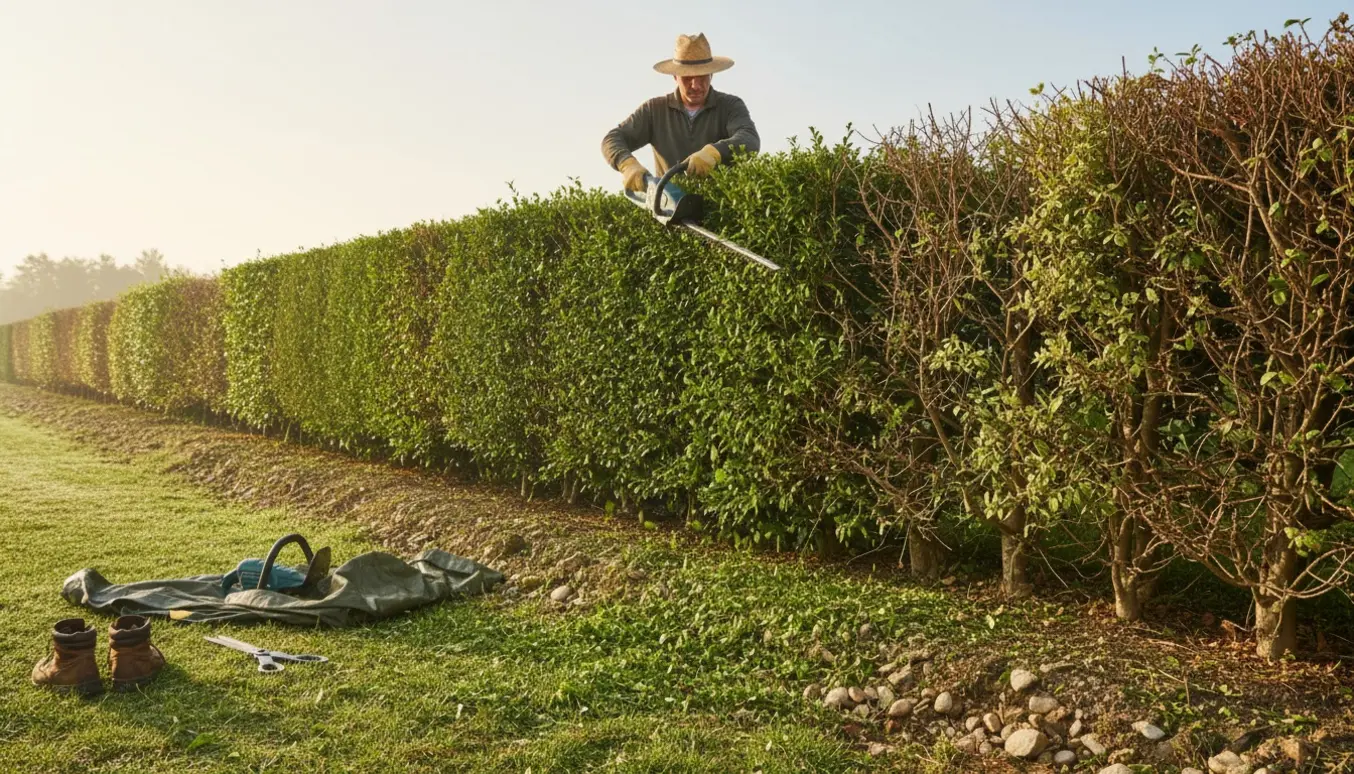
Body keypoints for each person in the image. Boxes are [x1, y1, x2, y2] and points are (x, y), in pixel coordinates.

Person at [601, 33, 760, 192]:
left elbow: (749, 138)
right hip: (669, 209)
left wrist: (715, 152)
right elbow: (613, 138)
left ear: (712, 74)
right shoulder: (654, 110)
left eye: (702, 77)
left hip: (720, 207)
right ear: (675, 77)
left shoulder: (730, 106)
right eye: (687, 78)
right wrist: (627, 164)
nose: (696, 85)